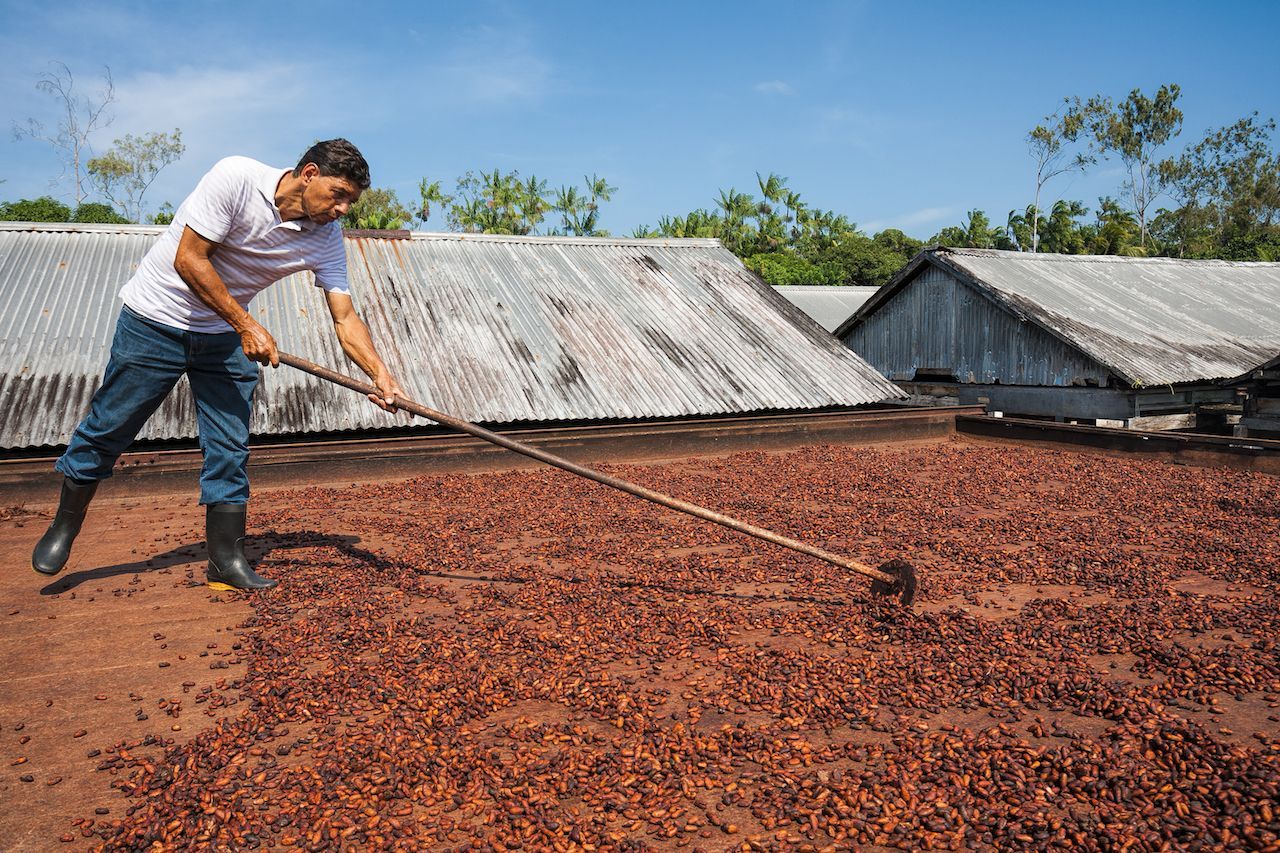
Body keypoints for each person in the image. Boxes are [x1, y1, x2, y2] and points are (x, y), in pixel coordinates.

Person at [31, 139, 405, 591]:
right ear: (308, 174)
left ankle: (225, 559)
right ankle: (65, 525)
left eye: (351, 201)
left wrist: (379, 373)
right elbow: (189, 258)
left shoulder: (325, 238)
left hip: (223, 337)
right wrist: (246, 325)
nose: (343, 208)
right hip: (156, 320)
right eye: (338, 194)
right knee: (110, 426)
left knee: (229, 446)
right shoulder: (236, 178)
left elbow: (344, 316)